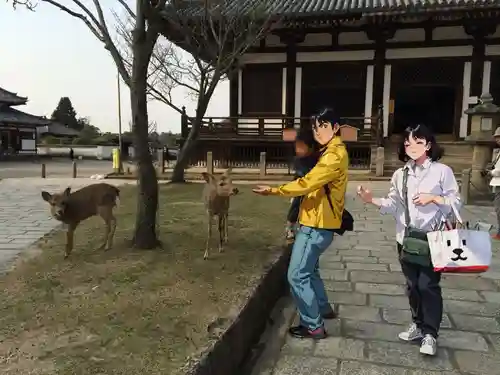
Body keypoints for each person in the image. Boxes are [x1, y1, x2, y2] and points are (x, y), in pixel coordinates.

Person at [357, 124, 460, 356]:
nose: (412, 147)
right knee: (412, 286)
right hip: (406, 238)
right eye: (407, 143)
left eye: (418, 142)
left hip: (434, 239)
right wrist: (371, 200)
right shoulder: (400, 174)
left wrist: (433, 198)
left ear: (429, 145)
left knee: (428, 286)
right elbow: (394, 205)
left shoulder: (443, 172)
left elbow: (456, 204)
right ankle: (417, 323)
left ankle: (430, 334)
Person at [253, 108, 349, 340]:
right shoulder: (330, 152)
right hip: (318, 223)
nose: (318, 132)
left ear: (335, 128)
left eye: (323, 127)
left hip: (316, 226)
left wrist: (274, 190)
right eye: (316, 128)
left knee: (296, 275)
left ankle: (313, 325)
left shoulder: (333, 156)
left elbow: (306, 184)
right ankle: (323, 309)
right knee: (311, 269)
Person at [285, 128, 319, 243]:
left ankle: (308, 228)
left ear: (311, 147)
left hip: (314, 189)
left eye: (301, 146)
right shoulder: (298, 161)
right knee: (296, 205)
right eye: (297, 146)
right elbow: (297, 177)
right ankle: (290, 228)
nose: (298, 150)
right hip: (301, 189)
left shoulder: (318, 159)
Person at [486, 126, 500, 240]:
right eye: (496, 138)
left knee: (499, 208)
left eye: (499, 137)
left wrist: (491, 173)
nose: (497, 140)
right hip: (497, 183)